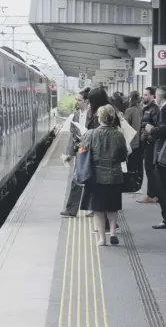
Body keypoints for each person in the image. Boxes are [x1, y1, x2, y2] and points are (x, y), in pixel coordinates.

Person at [81, 104, 128, 245]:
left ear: (99, 118)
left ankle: (102, 239)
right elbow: (123, 156)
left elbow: (82, 152)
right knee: (113, 206)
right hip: (114, 176)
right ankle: (113, 232)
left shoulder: (90, 134)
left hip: (96, 176)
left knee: (98, 208)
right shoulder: (119, 134)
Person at [81, 87, 121, 232]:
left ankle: (103, 231)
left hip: (97, 166)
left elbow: (94, 142)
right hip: (113, 168)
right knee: (111, 199)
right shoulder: (111, 115)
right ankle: (111, 229)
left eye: (90, 100)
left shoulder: (99, 118)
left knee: (99, 198)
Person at [60, 88, 90, 218]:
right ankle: (71, 210)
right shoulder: (76, 115)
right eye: (76, 99)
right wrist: (70, 154)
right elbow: (73, 136)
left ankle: (95, 209)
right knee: (76, 179)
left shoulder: (93, 114)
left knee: (92, 182)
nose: (76, 102)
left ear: (87, 101)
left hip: (92, 151)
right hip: (81, 151)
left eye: (79, 100)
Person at [145, 86, 166, 229]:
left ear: (159, 96)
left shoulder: (164, 110)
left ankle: (165, 219)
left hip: (162, 154)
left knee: (161, 187)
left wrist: (151, 129)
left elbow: (163, 130)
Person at [137, 87, 159, 203]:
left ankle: (152, 195)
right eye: (143, 94)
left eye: (146, 95)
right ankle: (152, 194)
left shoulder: (154, 110)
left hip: (151, 143)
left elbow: (156, 127)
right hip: (146, 142)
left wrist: (150, 138)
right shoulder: (145, 109)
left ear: (153, 96)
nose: (143, 96)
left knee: (150, 169)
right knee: (148, 168)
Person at [124, 91, 143, 180]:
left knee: (131, 165)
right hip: (141, 141)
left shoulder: (129, 110)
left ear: (130, 99)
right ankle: (138, 182)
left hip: (131, 142)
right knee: (139, 165)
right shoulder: (141, 109)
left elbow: (126, 127)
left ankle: (132, 183)